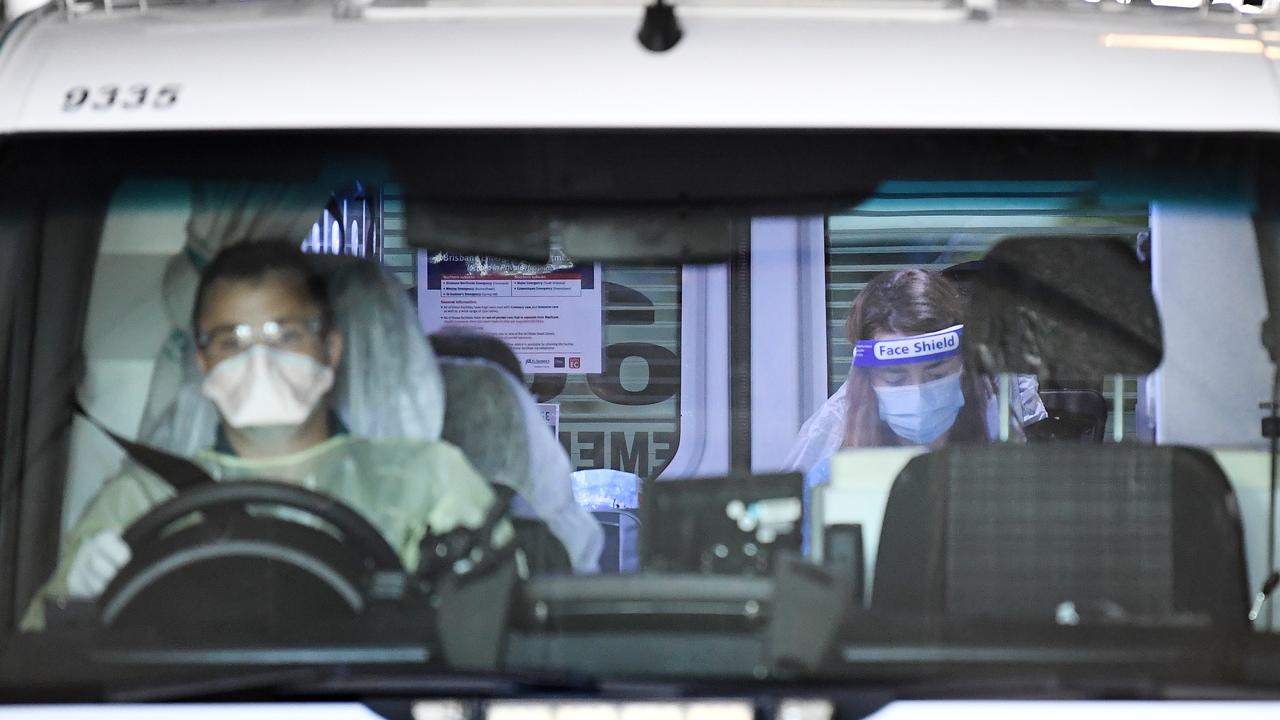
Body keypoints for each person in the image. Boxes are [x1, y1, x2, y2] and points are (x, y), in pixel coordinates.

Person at [22, 241, 508, 631]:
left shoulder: (429, 479)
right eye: (232, 341)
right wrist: (76, 603)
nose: (258, 362)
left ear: (330, 349)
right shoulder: (139, 499)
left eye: (284, 336)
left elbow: (495, 631)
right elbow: (40, 659)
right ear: (202, 361)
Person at [785, 268, 1036, 495]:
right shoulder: (830, 485)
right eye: (895, 379)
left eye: (936, 375)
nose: (918, 394)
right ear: (868, 382)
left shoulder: (1007, 472)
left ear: (963, 369)